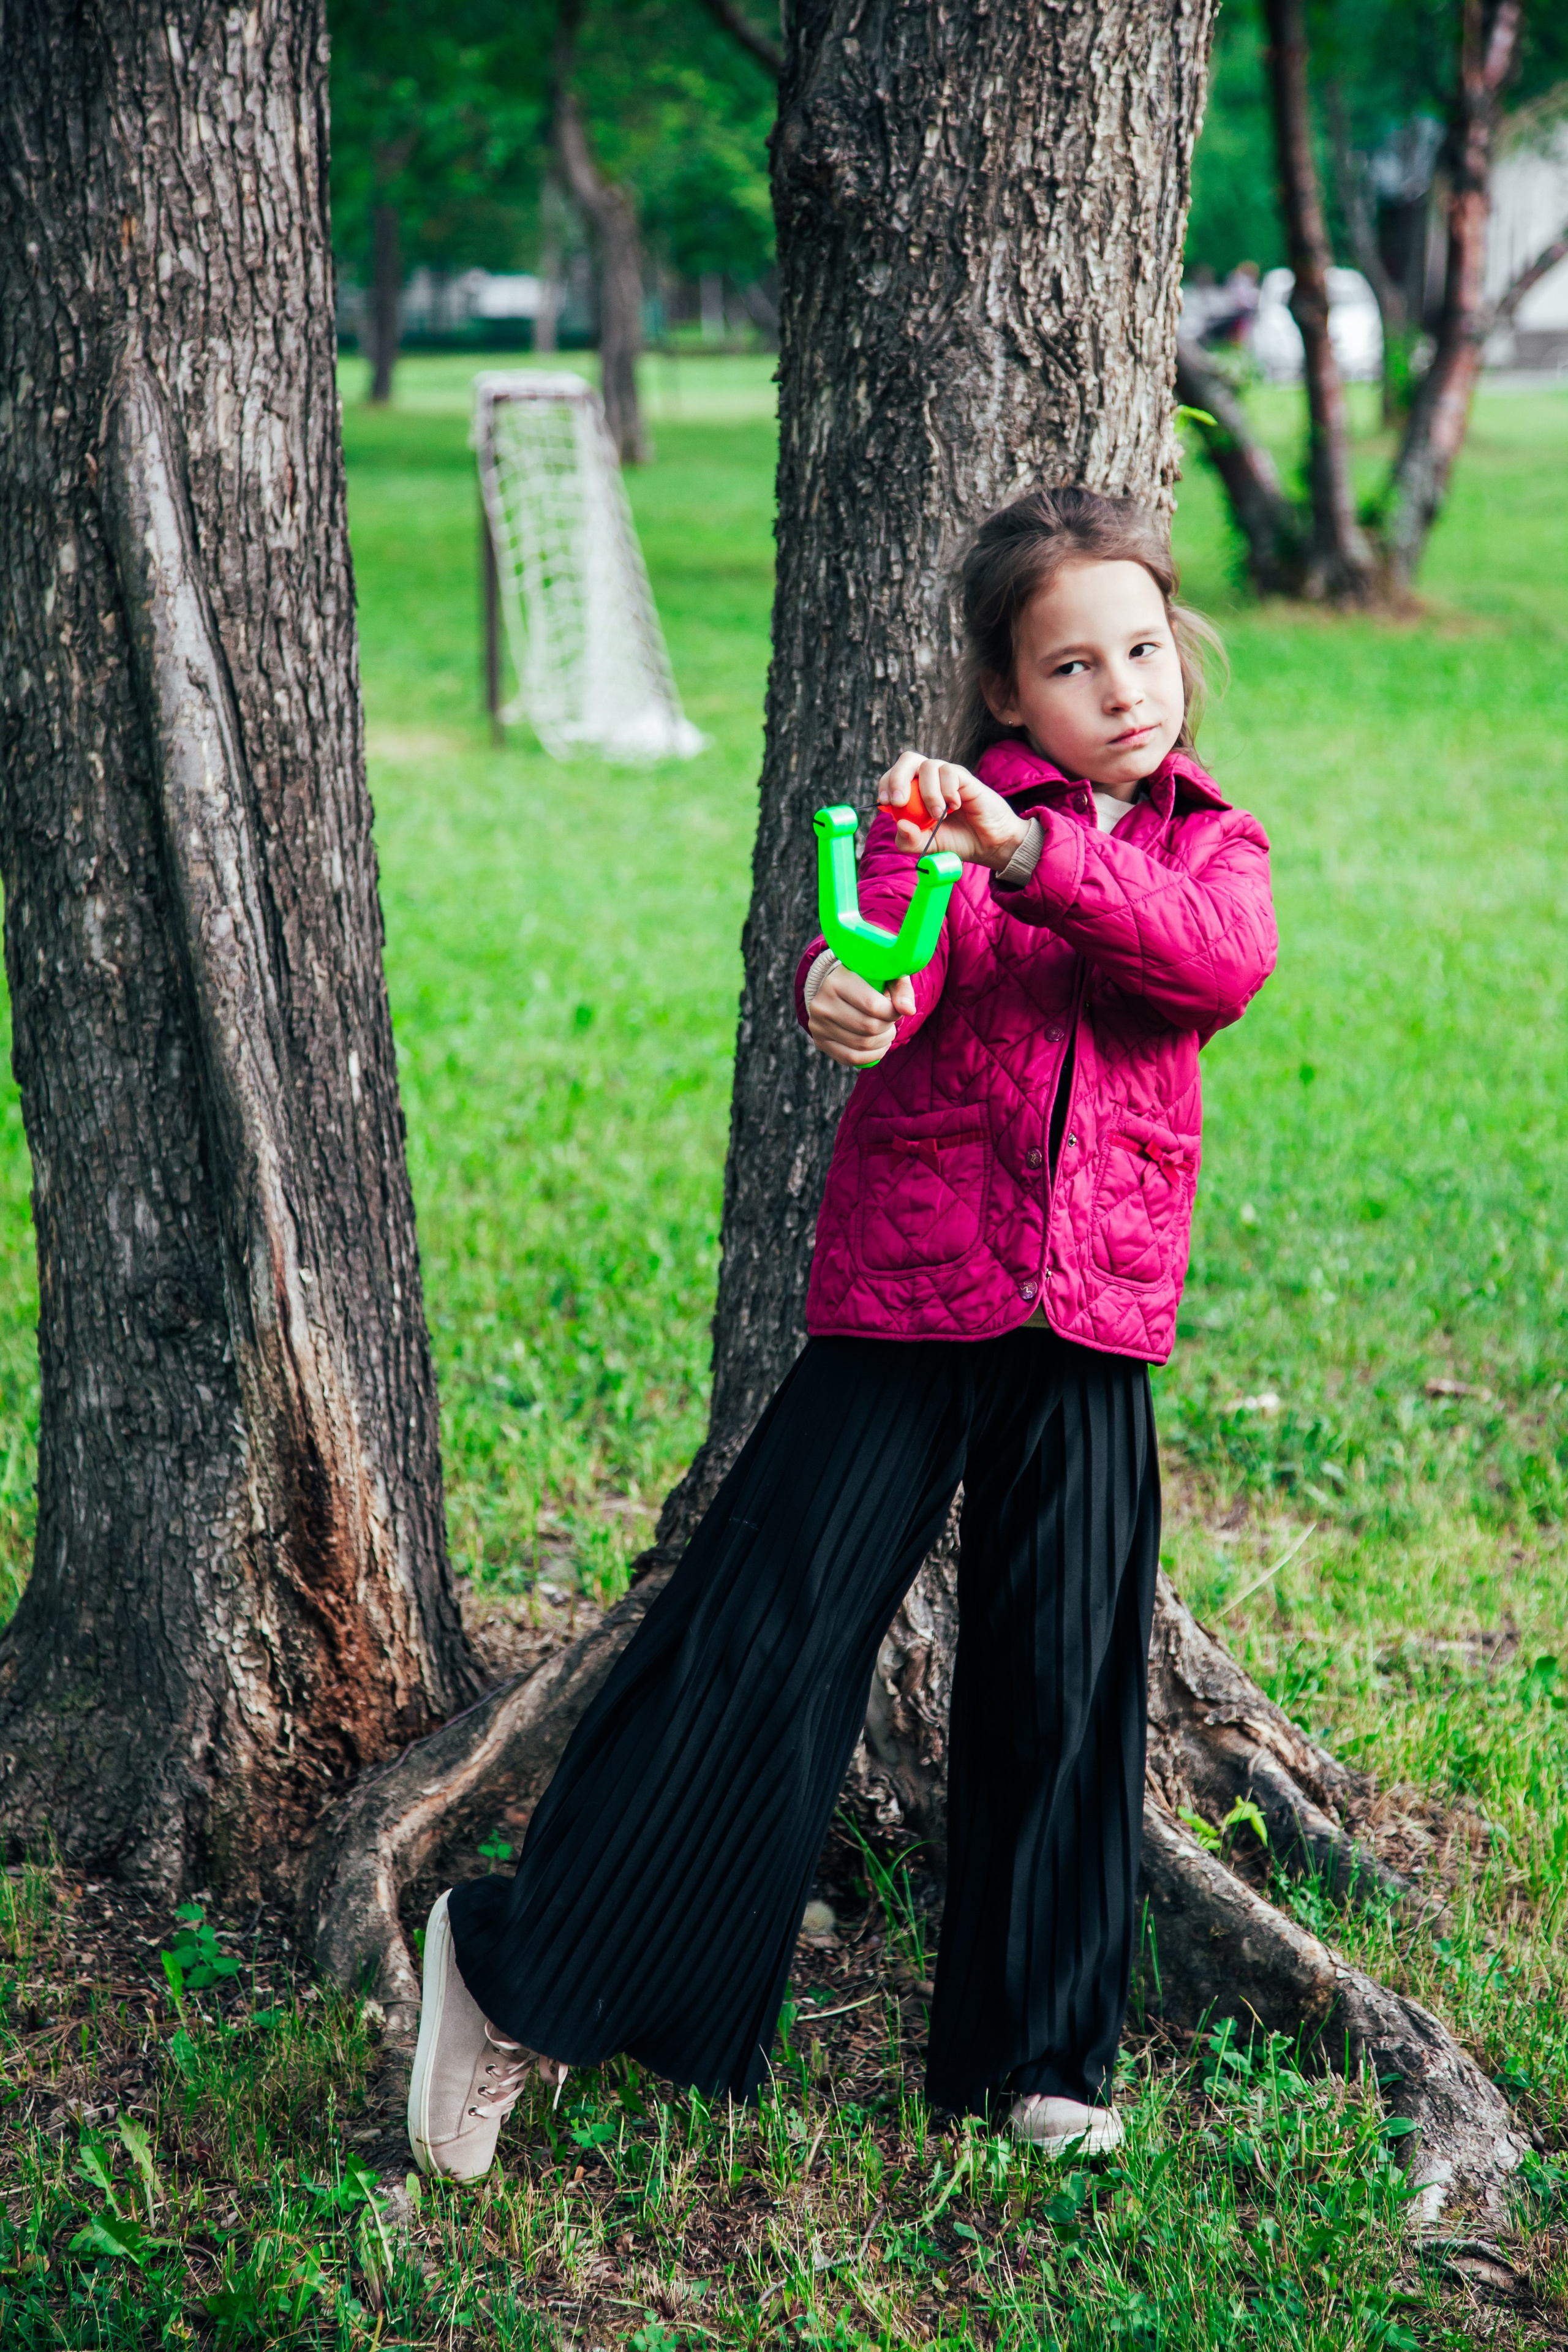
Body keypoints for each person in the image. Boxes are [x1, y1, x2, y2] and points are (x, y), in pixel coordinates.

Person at [405, 485, 1278, 2181]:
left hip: (1096, 1319)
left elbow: (1213, 965)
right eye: (1073, 665)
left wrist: (1038, 857)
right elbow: (885, 955)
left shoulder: (1208, 845)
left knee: (1065, 1682)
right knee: (768, 1642)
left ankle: (1035, 2061)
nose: (1122, 689)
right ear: (1007, 690)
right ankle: (517, 1976)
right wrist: (848, 986)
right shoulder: (936, 820)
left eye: (1143, 650)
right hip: (913, 1298)